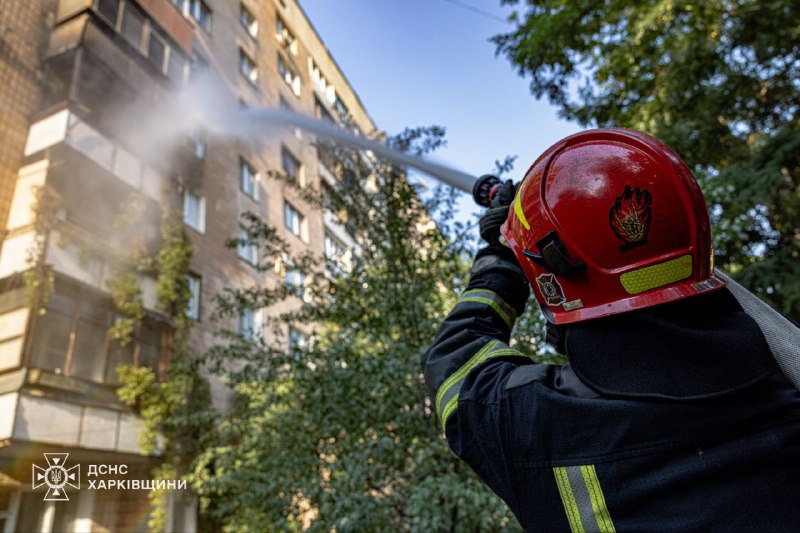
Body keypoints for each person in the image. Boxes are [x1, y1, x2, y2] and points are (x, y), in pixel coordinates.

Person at [422, 128, 800, 532]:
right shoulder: (784, 373)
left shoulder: (539, 425)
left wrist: (502, 252)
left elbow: (456, 356)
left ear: (548, 274)